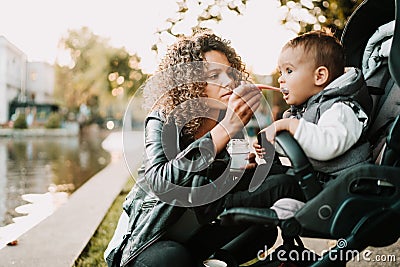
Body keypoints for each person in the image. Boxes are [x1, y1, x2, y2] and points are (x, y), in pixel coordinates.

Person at [105, 29, 291, 267]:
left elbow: (223, 185)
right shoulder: (163, 119)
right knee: (172, 257)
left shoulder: (226, 116)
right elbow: (161, 181)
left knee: (263, 229)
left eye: (229, 73)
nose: (228, 82)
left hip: (194, 230)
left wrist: (250, 161)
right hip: (150, 241)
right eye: (214, 75)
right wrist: (226, 128)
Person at [255, 29, 371, 181]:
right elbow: (304, 145)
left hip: (342, 188)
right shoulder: (306, 109)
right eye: (280, 72)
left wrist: (290, 125)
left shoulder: (341, 109)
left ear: (319, 76)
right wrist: (272, 146)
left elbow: (326, 146)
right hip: (315, 184)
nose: (280, 79)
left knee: (277, 187)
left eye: (288, 71)